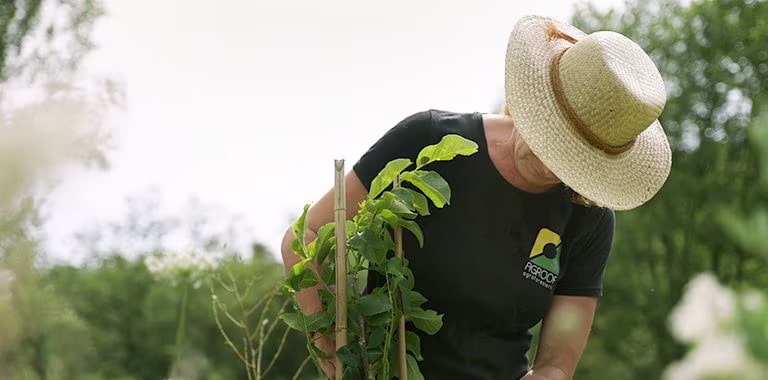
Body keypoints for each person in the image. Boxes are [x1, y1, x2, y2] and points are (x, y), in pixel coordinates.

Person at [281, 15, 671, 380]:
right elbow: (307, 237)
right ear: (534, 103)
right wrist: (333, 348)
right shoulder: (429, 142)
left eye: (572, 159)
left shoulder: (588, 217)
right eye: (549, 137)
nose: (551, 165)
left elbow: (555, 365)